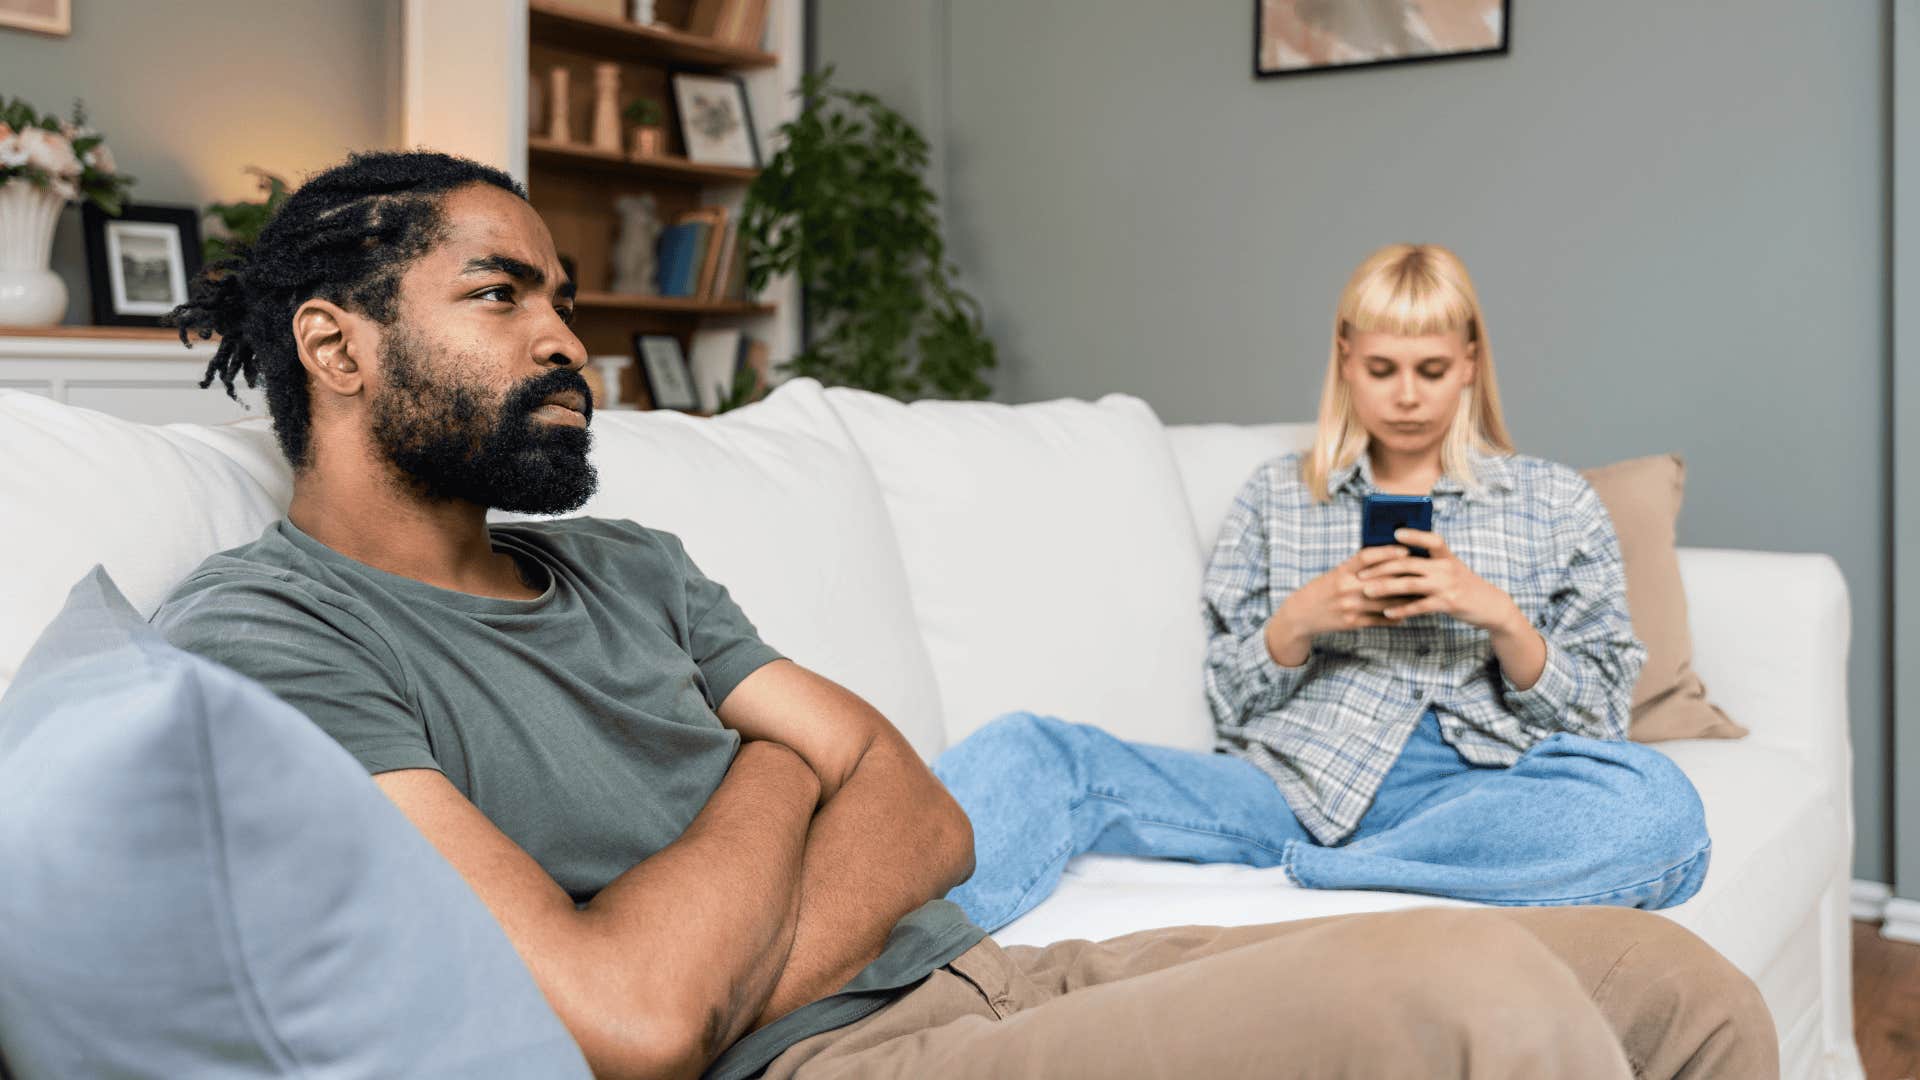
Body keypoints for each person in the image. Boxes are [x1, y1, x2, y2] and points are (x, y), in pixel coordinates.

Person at [153, 154, 1772, 1079]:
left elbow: (920, 813)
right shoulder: (279, 633)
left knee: (1674, 985)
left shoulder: (628, 562)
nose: (569, 337)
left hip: (982, 970)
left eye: (566, 294)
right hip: (822, 1065)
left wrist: (776, 837)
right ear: (337, 347)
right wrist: (791, 763)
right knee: (1482, 1003)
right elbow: (638, 1018)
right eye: (502, 293)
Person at [936, 243, 1712, 935]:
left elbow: (1604, 717)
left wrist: (1500, 620)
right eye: (1382, 370)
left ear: (1471, 360)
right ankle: (873, 962)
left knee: (1660, 808)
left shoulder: (1557, 503)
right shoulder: (1276, 498)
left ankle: (1351, 871)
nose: (1407, 396)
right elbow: (1228, 700)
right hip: (1284, 789)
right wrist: (1299, 624)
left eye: (1432, 370)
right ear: (1346, 359)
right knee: (1028, 746)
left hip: (1473, 799)